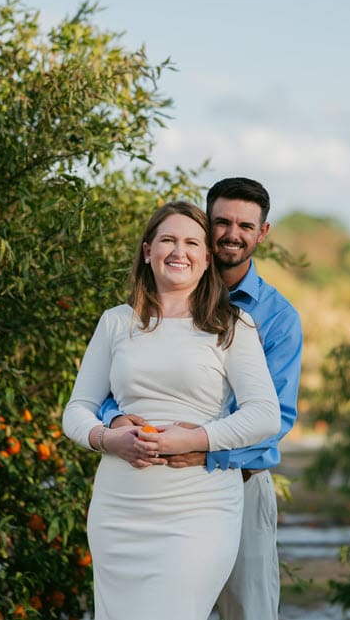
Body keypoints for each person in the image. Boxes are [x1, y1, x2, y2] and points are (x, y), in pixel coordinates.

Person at [62, 200, 281, 620]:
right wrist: (109, 439)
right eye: (168, 240)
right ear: (148, 251)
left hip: (198, 508)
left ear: (206, 259)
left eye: (192, 243)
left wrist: (195, 439)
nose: (179, 251)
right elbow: (77, 410)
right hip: (119, 510)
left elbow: (264, 415)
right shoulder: (115, 322)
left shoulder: (233, 325)